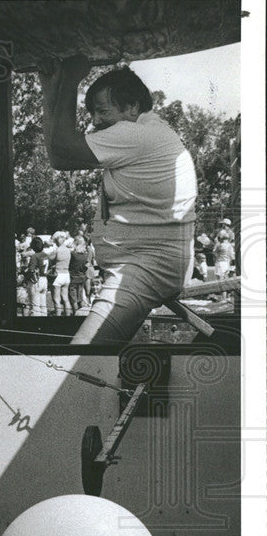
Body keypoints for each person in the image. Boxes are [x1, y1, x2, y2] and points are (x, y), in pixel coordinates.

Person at [40, 59, 197, 345]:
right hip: (147, 264)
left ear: (132, 107)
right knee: (105, 358)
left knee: (81, 358)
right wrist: (51, 88)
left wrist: (71, 80)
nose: (95, 121)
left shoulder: (135, 134)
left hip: (147, 268)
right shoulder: (144, 130)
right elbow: (59, 158)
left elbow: (62, 145)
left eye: (102, 111)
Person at [51, 231, 73, 316]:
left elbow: (51, 261)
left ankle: (58, 316)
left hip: (58, 275)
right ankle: (68, 316)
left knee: (57, 300)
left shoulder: (56, 250)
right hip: (66, 275)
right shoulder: (68, 250)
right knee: (65, 298)